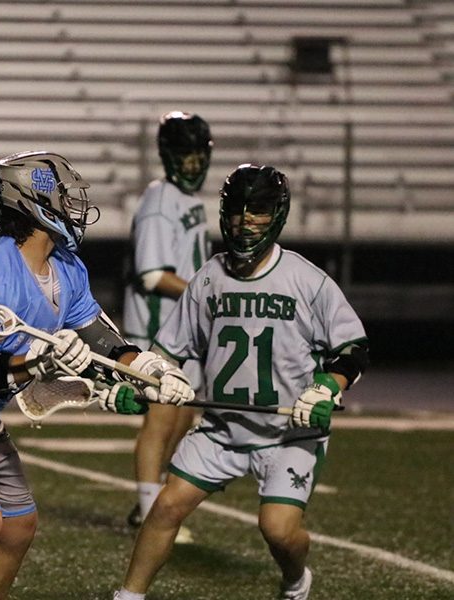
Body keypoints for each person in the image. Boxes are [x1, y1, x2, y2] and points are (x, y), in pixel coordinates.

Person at [0, 151, 195, 600]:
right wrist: (38, 365)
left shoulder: (66, 268)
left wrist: (151, 370)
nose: (73, 206)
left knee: (18, 526)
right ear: (31, 203)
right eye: (63, 197)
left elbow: (102, 338)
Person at [112, 164, 369, 600]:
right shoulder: (209, 278)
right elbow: (168, 350)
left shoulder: (306, 280)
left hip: (289, 432)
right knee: (166, 506)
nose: (245, 221)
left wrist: (327, 387)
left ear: (278, 215)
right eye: (237, 210)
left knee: (279, 531)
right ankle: (130, 596)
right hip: (223, 429)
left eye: (259, 211)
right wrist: (137, 381)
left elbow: (352, 348)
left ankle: (295, 580)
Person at [122, 111, 213, 542]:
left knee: (182, 420)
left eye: (198, 155)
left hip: (184, 330)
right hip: (158, 332)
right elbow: (152, 274)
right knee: (161, 421)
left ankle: (150, 502)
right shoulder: (160, 201)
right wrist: (206, 292)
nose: (193, 163)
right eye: (185, 154)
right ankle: (148, 511)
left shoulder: (187, 199)